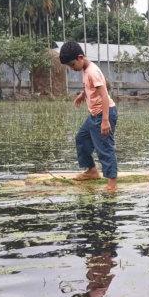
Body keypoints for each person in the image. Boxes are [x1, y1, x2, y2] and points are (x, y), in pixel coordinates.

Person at [59, 41, 118, 191]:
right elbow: (91, 87)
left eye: (72, 65)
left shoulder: (92, 71)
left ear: (80, 57)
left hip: (104, 114)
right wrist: (82, 95)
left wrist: (105, 121)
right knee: (81, 139)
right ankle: (92, 171)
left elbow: (104, 95)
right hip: (94, 114)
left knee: (104, 147)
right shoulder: (86, 70)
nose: (72, 69)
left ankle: (112, 183)